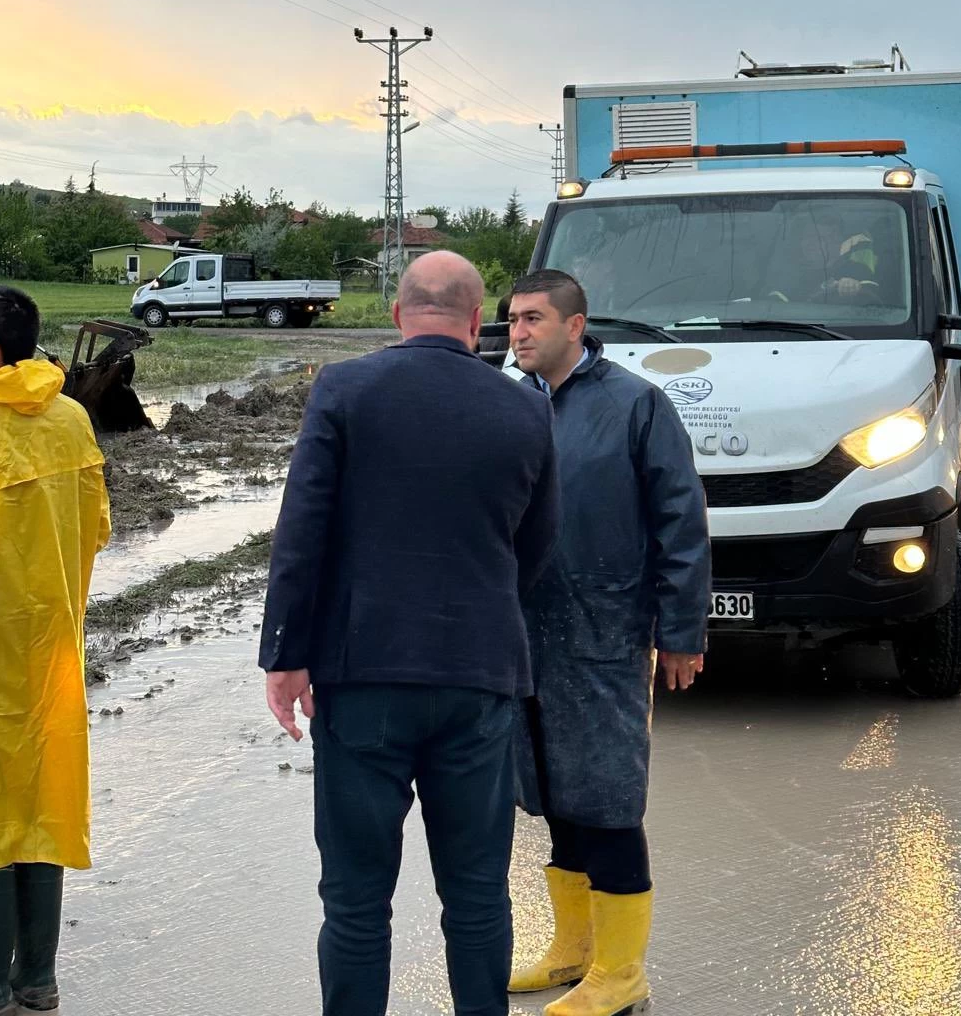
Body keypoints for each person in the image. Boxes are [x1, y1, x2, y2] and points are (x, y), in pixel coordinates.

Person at [259, 251, 560, 1016]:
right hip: (480, 678)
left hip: (364, 680)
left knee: (357, 902)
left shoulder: (346, 389)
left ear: (398, 315)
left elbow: (303, 533)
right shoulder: (526, 408)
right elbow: (539, 545)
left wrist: (286, 656)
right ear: (475, 320)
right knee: (477, 895)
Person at [506, 269, 711, 1016]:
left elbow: (681, 522)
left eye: (532, 319)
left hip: (605, 629)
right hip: (524, 634)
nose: (518, 332)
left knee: (607, 800)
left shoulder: (634, 405)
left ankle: (623, 975)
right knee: (552, 795)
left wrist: (681, 630)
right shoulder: (511, 403)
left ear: (575, 325)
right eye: (511, 320)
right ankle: (575, 949)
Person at [0, 287, 111, 1016]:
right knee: (46, 801)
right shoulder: (72, 419)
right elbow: (95, 529)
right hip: (54, 652)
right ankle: (38, 980)